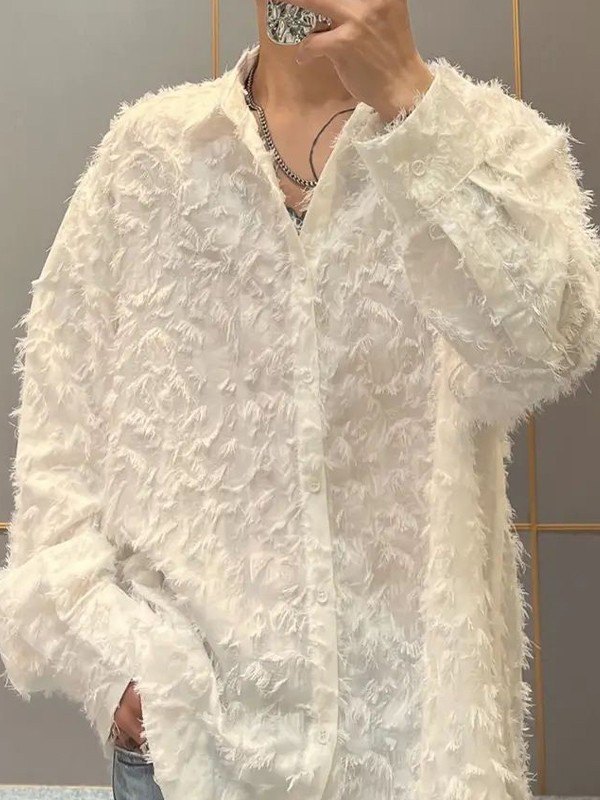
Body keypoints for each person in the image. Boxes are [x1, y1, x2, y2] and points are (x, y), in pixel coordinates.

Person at [1, 1, 599, 799]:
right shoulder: (150, 156)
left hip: (413, 754)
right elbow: (57, 435)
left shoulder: (489, 144)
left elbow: (549, 349)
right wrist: (115, 666)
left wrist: (409, 101)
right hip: (189, 756)